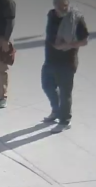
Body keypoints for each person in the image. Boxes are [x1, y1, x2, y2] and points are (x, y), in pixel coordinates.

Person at [42, 0, 89, 133]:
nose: (63, 7)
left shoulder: (76, 18)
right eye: (60, 5)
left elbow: (84, 40)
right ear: (54, 4)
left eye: (65, 4)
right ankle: (57, 111)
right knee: (47, 85)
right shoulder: (51, 15)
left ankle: (64, 121)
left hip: (67, 62)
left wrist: (68, 46)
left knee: (65, 93)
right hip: (50, 59)